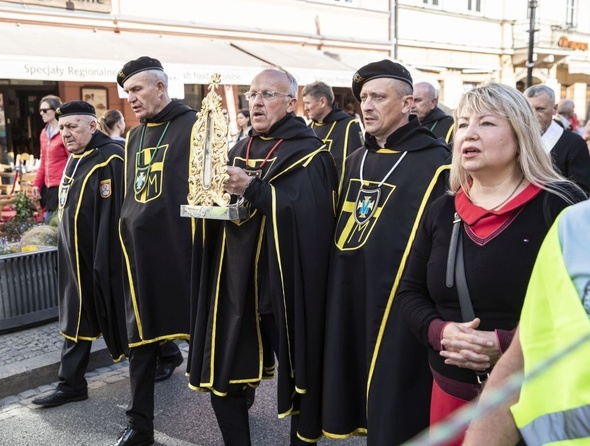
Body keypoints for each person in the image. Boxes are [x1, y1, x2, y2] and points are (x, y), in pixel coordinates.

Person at [396, 82, 585, 445]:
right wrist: (441, 333)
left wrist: (508, 345)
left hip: (533, 400)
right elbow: (409, 292)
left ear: (520, 134)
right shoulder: (442, 209)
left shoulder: (561, 206)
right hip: (449, 397)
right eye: (463, 123)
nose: (469, 133)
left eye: (486, 123)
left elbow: (581, 305)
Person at [187, 69, 337, 444]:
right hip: (236, 287)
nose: (256, 102)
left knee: (301, 379)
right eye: (252, 94)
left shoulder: (310, 154)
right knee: (225, 375)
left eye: (268, 94)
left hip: (282, 287)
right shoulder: (237, 149)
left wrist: (254, 188)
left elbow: (312, 220)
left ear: (291, 103)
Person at [322, 59, 451, 445]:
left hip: (401, 305)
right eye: (363, 98)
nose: (367, 105)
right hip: (351, 293)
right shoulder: (356, 159)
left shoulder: (437, 163)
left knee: (394, 414)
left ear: (408, 103)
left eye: (379, 96)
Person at [113, 56, 195, 446]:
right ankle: (139, 425)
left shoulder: (194, 126)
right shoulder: (133, 136)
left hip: (184, 252)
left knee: (204, 336)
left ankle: (233, 408)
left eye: (137, 89)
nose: (131, 98)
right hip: (141, 257)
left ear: (160, 87)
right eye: (127, 92)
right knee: (140, 341)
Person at [464, 199, 590, 445]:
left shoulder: (554, 202)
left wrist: (499, 341)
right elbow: (522, 359)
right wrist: (439, 331)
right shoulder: (572, 227)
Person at [31, 101, 128, 408]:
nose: (67, 133)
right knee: (77, 315)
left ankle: (164, 354)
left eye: (73, 126)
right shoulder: (76, 158)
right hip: (75, 257)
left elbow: (115, 212)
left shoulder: (111, 157)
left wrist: (104, 256)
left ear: (92, 126)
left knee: (121, 312)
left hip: (102, 254)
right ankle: (71, 383)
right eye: (62, 128)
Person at [524, 85, 590, 193]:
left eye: (540, 109)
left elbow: (581, 191)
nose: (533, 115)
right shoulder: (515, 139)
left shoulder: (575, 144)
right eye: (528, 109)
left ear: (555, 109)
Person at [302, 80, 363, 187]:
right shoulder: (310, 127)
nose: (305, 108)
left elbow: (357, 166)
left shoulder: (349, 125)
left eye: (307, 103)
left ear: (322, 102)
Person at [32, 94, 69, 223]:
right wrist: (36, 184)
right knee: (50, 221)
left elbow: (72, 159)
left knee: (53, 222)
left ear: (55, 110)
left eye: (45, 110)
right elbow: (43, 161)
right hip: (48, 186)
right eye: (40, 110)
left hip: (61, 185)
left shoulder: (64, 132)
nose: (41, 113)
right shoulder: (44, 132)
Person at [412, 81, 455, 147]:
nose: (412, 105)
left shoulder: (450, 125)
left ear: (433, 102)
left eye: (417, 100)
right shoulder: (406, 124)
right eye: (411, 100)